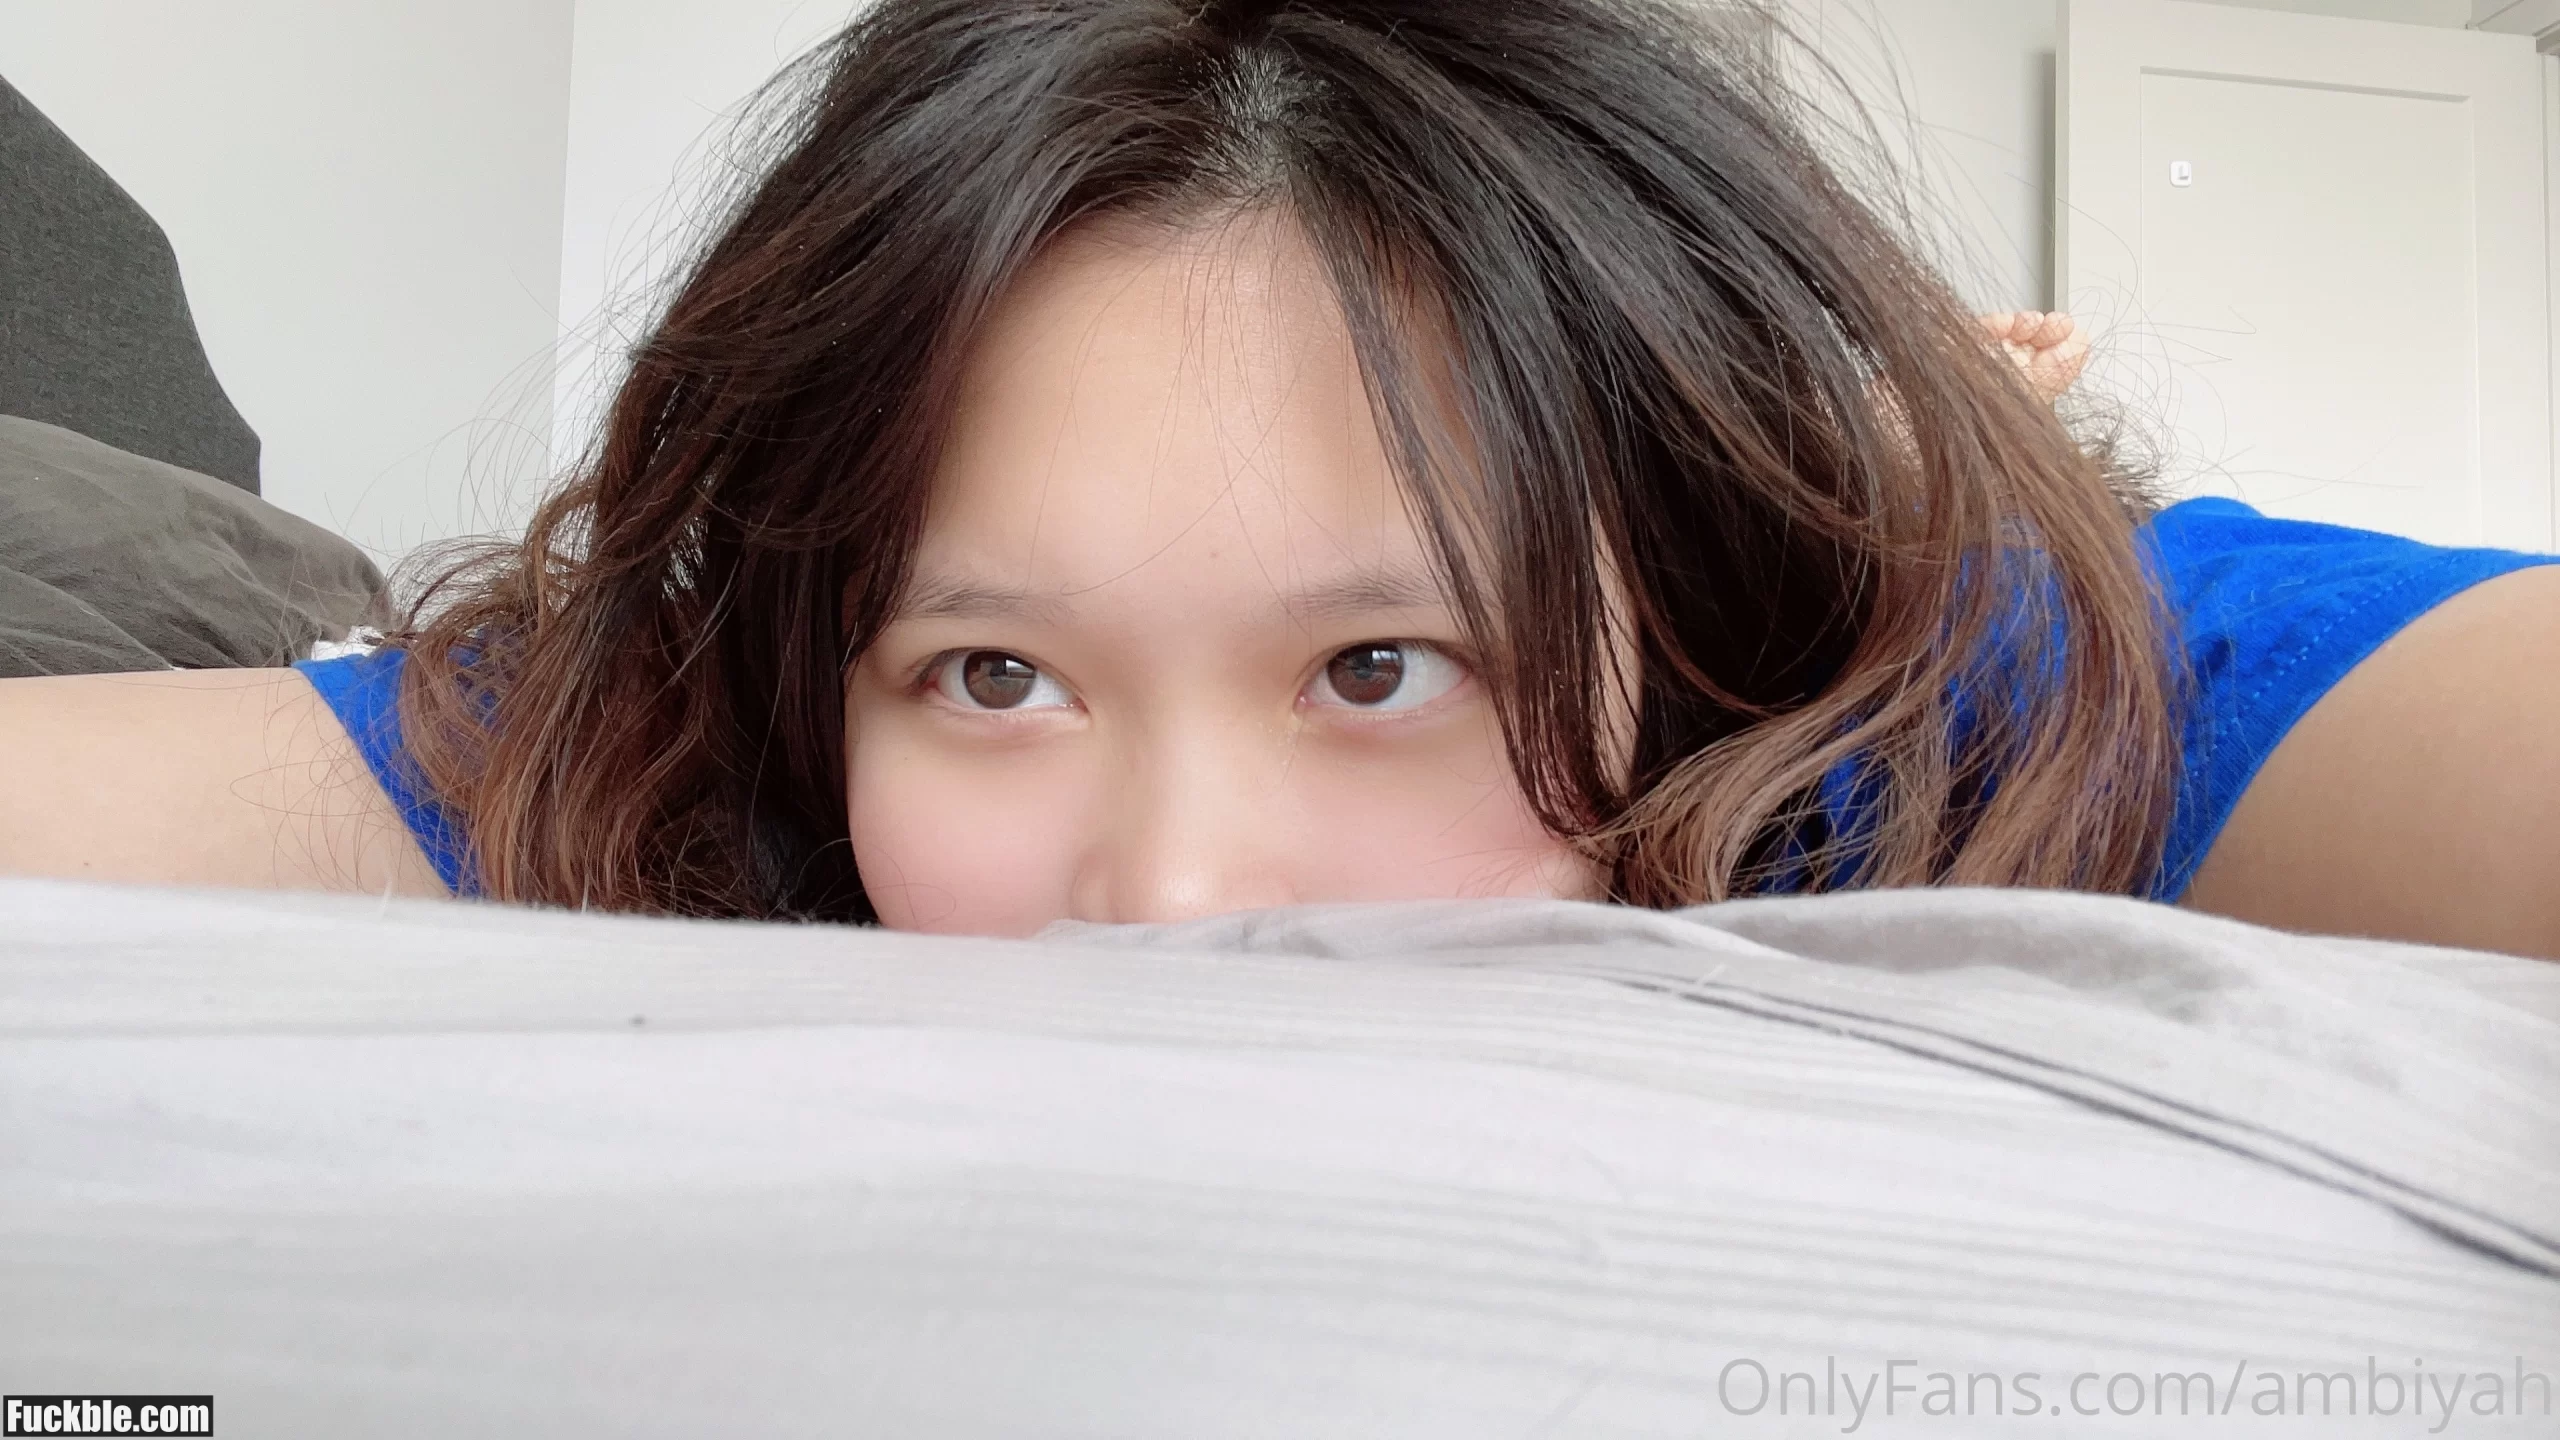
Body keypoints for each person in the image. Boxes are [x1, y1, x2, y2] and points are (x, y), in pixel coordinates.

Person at [1, 0, 2554, 956]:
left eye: (1376, 663)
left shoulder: (1936, 686)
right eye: (991, 675)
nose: (1174, 897)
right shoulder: (682, 734)